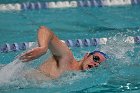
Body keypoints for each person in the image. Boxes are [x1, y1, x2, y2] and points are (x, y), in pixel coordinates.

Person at [20, 26, 108, 79]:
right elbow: (44, 30)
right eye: (96, 58)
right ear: (87, 55)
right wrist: (43, 48)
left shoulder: (75, 78)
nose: (95, 64)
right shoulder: (66, 57)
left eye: (98, 64)